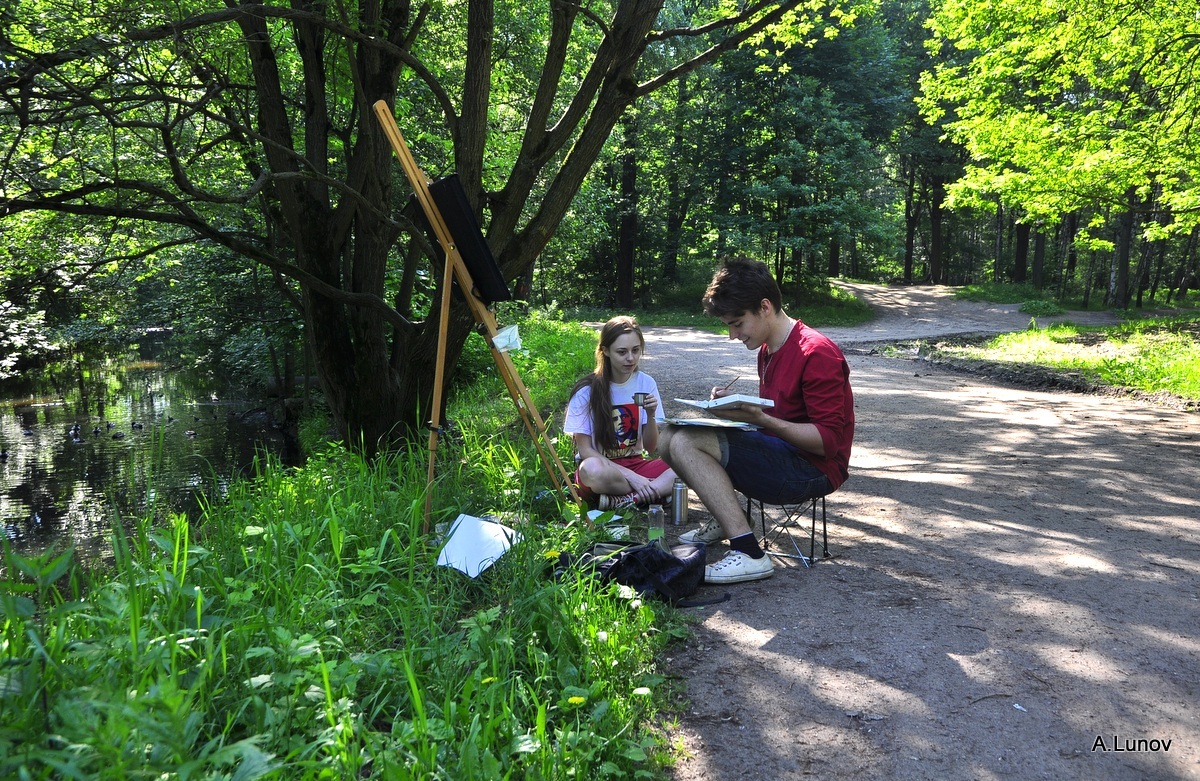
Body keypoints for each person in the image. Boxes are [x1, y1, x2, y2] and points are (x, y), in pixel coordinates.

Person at [659, 257, 855, 584]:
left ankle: (750, 553)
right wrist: (734, 409)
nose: (732, 336)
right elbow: (776, 416)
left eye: (737, 323)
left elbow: (827, 443)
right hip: (780, 454)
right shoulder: (768, 350)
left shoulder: (816, 352)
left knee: (686, 440)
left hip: (813, 470)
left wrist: (760, 418)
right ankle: (727, 517)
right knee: (668, 435)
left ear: (765, 307)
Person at [564, 316, 677, 510]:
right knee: (591, 470)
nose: (630, 358)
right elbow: (585, 451)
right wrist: (634, 478)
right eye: (622, 352)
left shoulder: (646, 383)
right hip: (604, 469)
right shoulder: (586, 391)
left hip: (638, 464)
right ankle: (656, 491)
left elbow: (650, 448)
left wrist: (650, 415)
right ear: (605, 351)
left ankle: (628, 500)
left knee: (686, 464)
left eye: (636, 350)